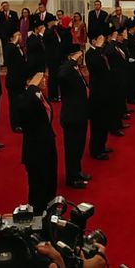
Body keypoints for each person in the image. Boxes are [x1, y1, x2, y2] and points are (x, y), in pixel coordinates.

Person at [17, 71, 57, 214]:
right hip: (35, 148)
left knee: (49, 177)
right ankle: (37, 212)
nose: (45, 80)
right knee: (38, 183)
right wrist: (32, 86)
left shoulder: (39, 95)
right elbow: (23, 109)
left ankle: (49, 205)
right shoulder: (25, 97)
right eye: (41, 78)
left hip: (47, 142)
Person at [58, 45, 91, 189]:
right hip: (71, 115)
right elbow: (62, 75)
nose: (81, 56)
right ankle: (71, 177)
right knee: (72, 148)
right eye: (79, 54)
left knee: (79, 145)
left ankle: (77, 171)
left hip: (80, 112)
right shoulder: (66, 69)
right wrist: (71, 60)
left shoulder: (76, 69)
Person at [85, 34, 111, 160]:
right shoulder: (90, 53)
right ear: (94, 41)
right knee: (97, 123)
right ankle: (96, 150)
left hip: (105, 90)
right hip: (97, 92)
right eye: (100, 39)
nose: (103, 41)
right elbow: (95, 66)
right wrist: (99, 47)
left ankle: (102, 145)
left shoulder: (101, 51)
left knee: (105, 120)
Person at [4, 30, 27, 133]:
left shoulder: (18, 47)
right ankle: (15, 124)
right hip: (13, 80)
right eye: (18, 35)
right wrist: (14, 41)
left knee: (21, 101)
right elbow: (8, 57)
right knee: (14, 103)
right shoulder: (10, 47)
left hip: (20, 80)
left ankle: (21, 120)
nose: (20, 37)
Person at [44, 16, 63, 102]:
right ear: (49, 22)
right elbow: (46, 38)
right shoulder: (47, 31)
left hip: (57, 57)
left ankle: (57, 94)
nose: (55, 22)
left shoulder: (55, 30)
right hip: (51, 58)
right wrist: (52, 27)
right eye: (53, 21)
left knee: (57, 77)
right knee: (52, 77)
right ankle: (52, 96)